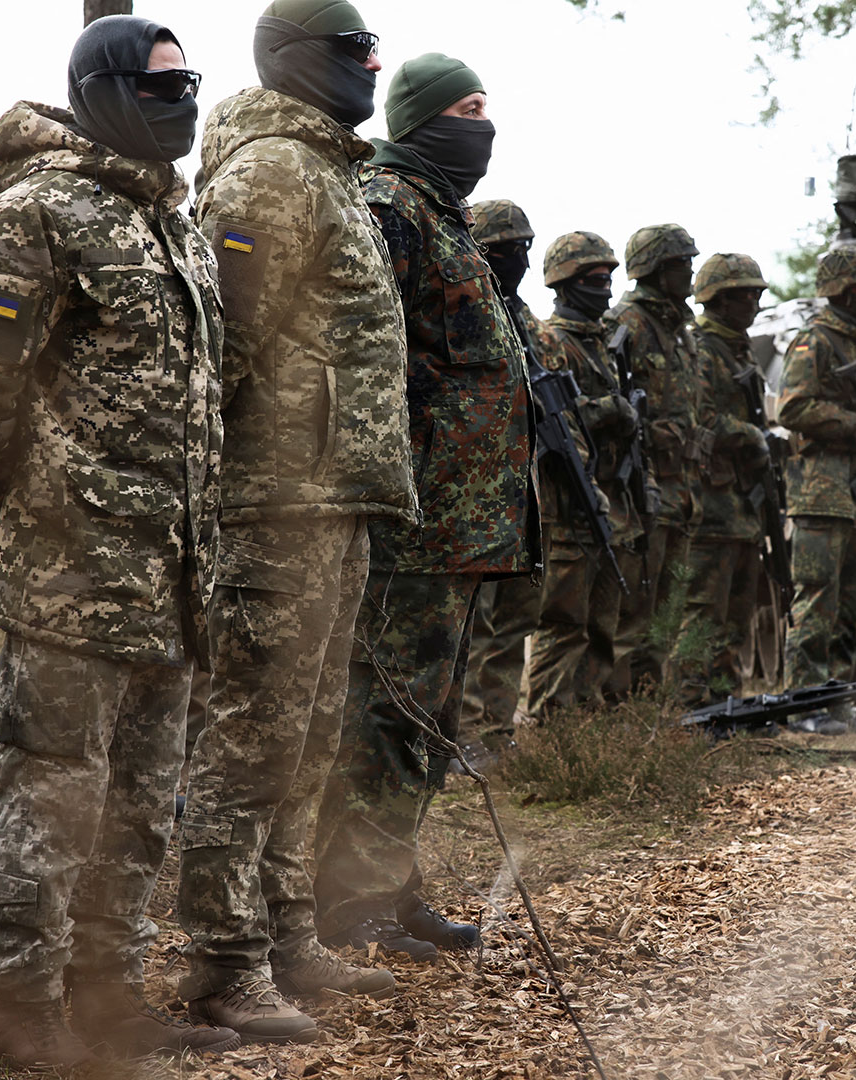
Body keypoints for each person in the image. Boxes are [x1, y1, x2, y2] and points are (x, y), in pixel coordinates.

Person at [0, 16, 240, 1066]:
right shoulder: (37, 218)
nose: (183, 99)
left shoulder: (179, 228)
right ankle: (25, 1022)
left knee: (142, 813)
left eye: (192, 82)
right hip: (71, 579)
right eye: (161, 85)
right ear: (104, 91)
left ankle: (109, 1002)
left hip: (175, 580)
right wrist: (26, 519)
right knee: (53, 807)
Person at [177, 0, 415, 1043]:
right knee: (252, 739)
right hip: (274, 501)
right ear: (295, 61)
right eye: (354, 50)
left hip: (331, 497)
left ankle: (284, 935)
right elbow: (220, 344)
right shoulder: (272, 170)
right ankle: (226, 966)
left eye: (375, 50)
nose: (372, 65)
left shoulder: (327, 173)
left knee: (309, 738)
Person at [312, 53, 530, 966]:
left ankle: (388, 887)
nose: (483, 125)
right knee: (389, 716)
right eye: (468, 109)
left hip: (463, 520)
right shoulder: (390, 209)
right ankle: (345, 902)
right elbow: (362, 353)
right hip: (418, 517)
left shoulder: (442, 216)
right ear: (423, 117)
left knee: (427, 720)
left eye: (487, 108)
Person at [526, 231, 650, 710]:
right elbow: (553, 416)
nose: (605, 288)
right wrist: (609, 409)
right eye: (595, 279)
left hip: (612, 502)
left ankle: (589, 716)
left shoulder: (604, 344)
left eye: (609, 278)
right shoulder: (555, 341)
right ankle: (552, 722)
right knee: (564, 622)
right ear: (565, 282)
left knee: (605, 621)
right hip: (571, 501)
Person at [778, 247, 856, 702]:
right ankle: (806, 701)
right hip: (821, 494)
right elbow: (792, 406)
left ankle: (838, 697)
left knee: (850, 604)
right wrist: (855, 426)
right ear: (840, 291)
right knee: (818, 600)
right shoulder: (815, 341)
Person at [457, 198, 545, 749]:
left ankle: (495, 730)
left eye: (527, 249)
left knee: (517, 616)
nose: (523, 263)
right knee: (475, 619)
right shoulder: (467, 303)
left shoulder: (524, 318)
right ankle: (463, 730)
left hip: (521, 485)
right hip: (474, 488)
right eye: (511, 251)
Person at [673, 253, 774, 703]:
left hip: (741, 507)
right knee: (703, 614)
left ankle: (726, 702)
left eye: (756, 293)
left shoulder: (739, 348)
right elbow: (701, 421)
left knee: (737, 615)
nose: (753, 302)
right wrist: (752, 434)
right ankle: (693, 705)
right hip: (712, 507)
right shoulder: (702, 349)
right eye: (744, 295)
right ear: (718, 300)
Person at [609, 225, 704, 693]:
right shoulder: (628, 323)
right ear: (656, 269)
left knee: (668, 605)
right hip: (643, 487)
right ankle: (622, 714)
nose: (690, 272)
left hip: (680, 488)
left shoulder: (680, 328)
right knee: (636, 609)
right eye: (680, 264)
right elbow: (612, 405)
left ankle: (649, 709)